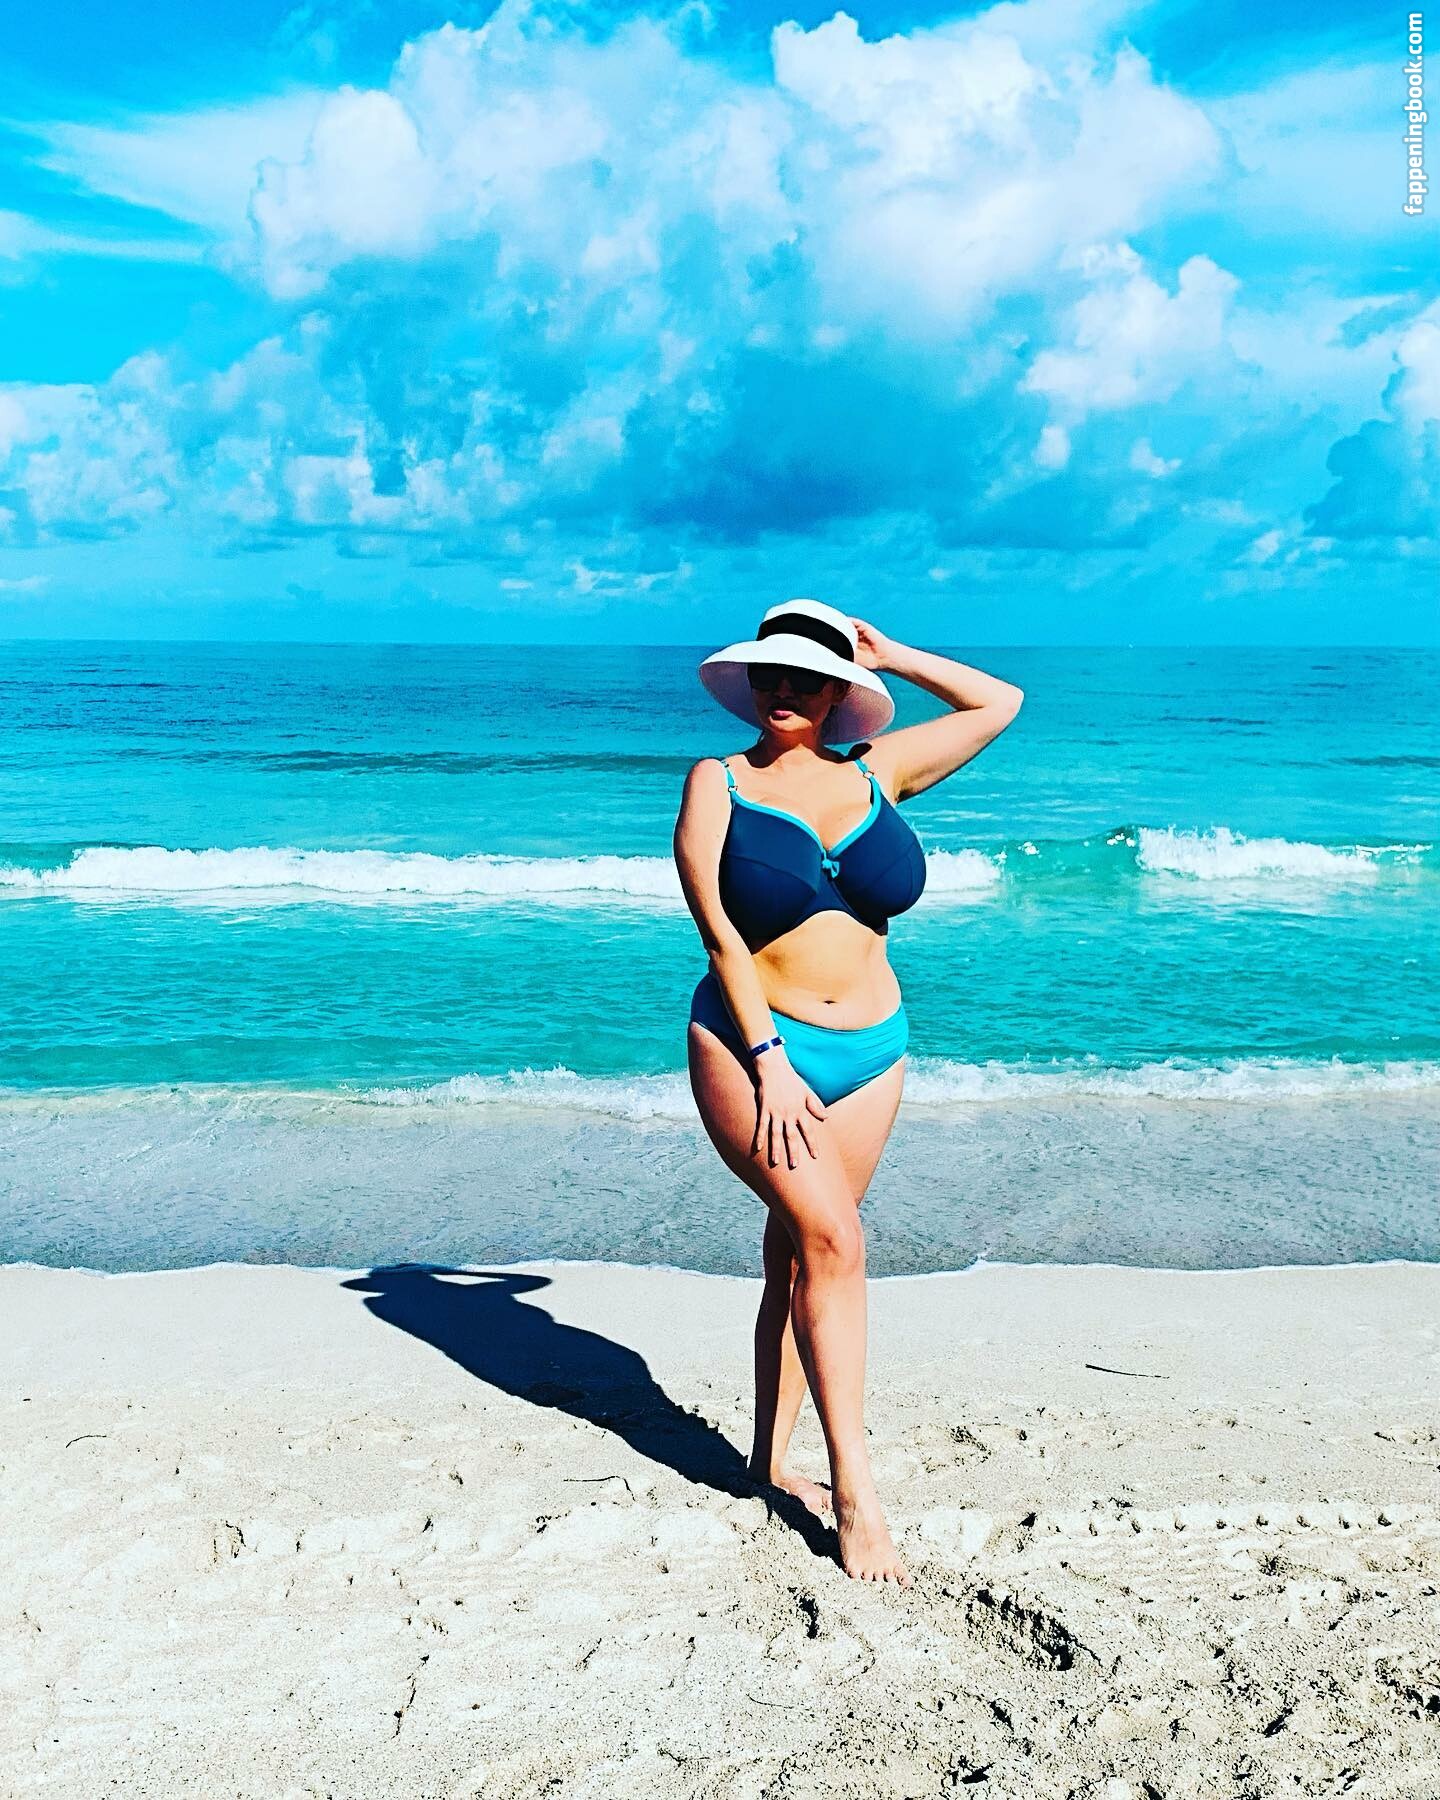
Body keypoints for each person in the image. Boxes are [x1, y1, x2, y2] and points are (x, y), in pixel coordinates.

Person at [673, 598, 1024, 1585]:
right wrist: (769, 1060)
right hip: (754, 1046)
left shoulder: (881, 771)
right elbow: (720, 935)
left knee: (802, 1253)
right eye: (771, 673)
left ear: (839, 692)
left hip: (874, 1050)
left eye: (809, 675)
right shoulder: (718, 781)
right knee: (836, 1245)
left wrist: (894, 653)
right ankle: (858, 1497)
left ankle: (764, 1462)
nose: (784, 689)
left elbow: (999, 703)